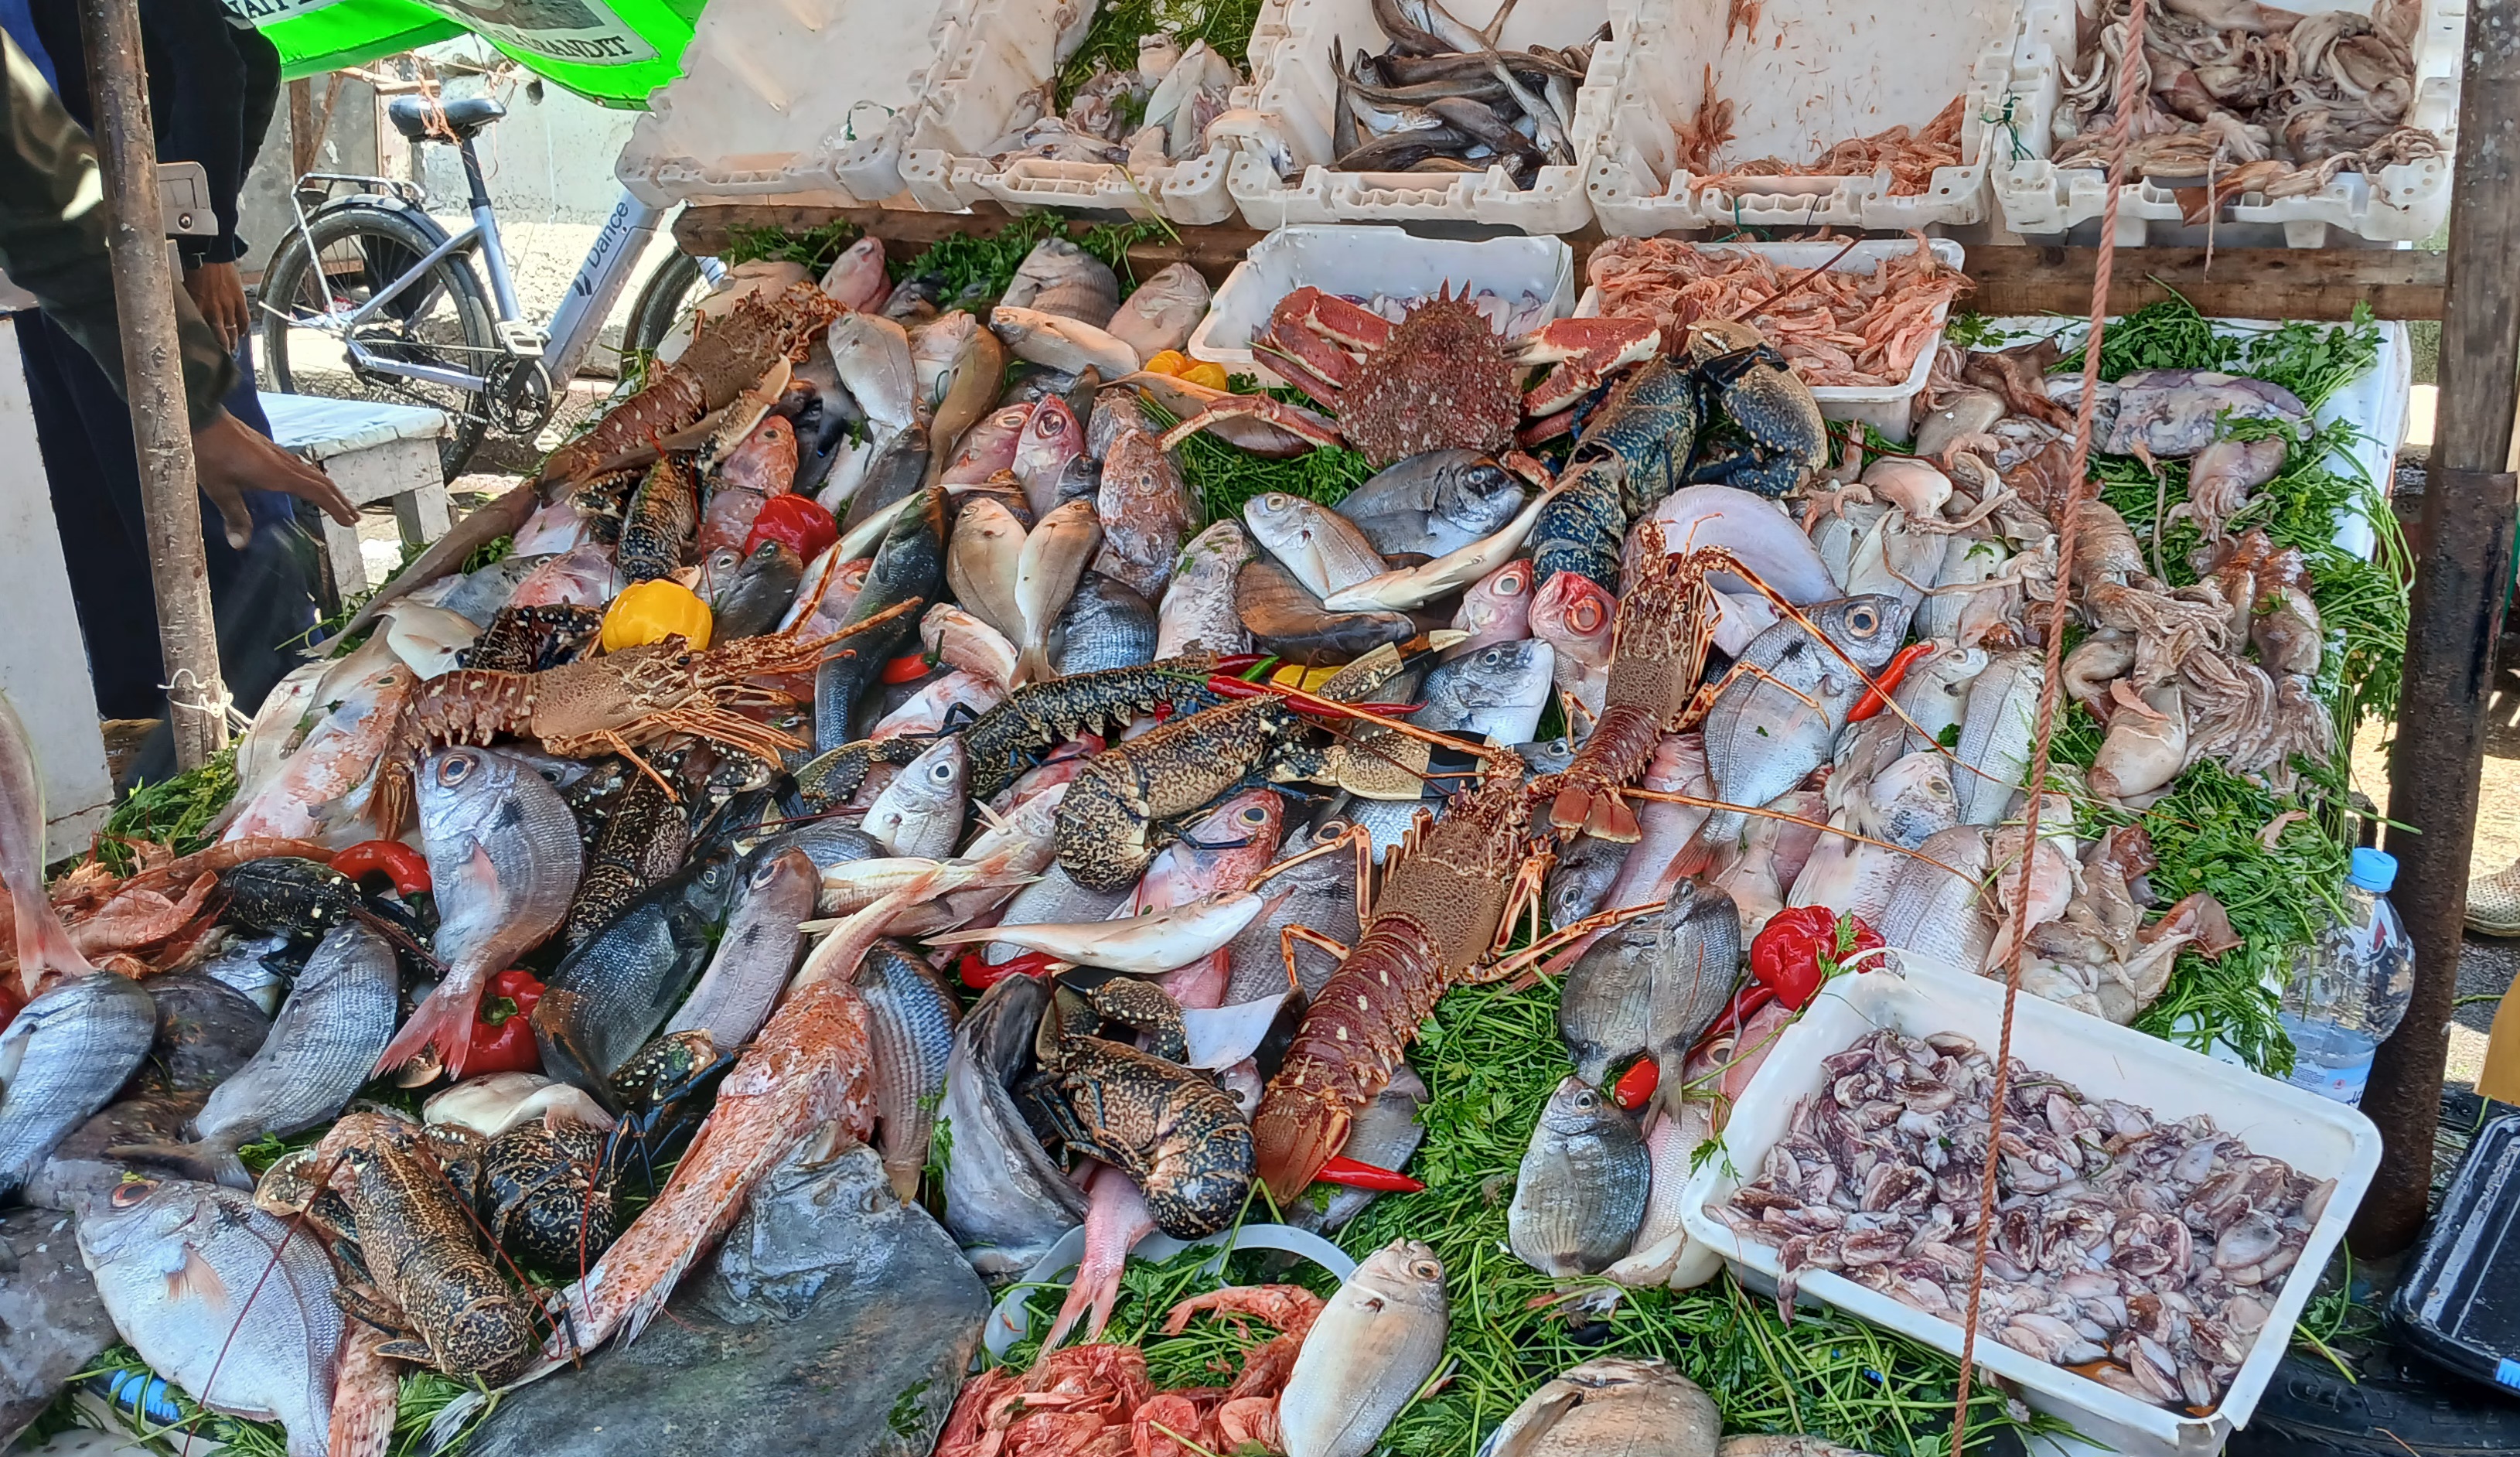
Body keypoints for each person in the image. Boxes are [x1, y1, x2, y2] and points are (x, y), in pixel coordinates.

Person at [1, 5, 352, 773]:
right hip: (42, 289)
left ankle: (292, 735)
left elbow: (234, 59)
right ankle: (142, 736)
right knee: (91, 515)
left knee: (220, 516)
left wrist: (208, 245)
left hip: (132, 272)